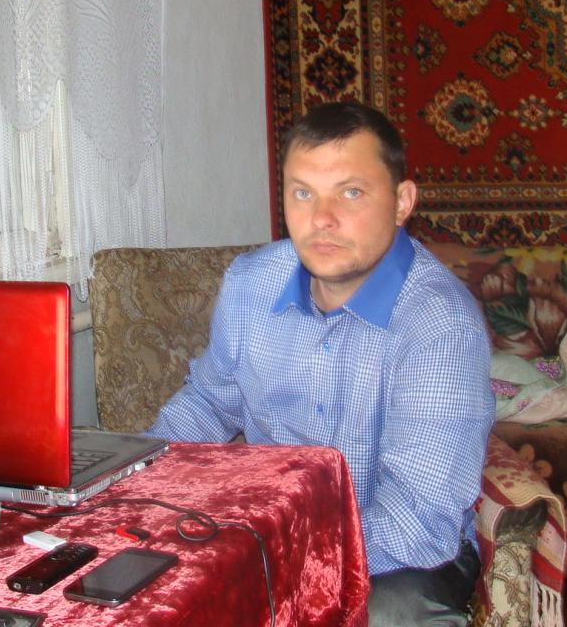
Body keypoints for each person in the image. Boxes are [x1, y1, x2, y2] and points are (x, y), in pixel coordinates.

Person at [146, 101, 494, 625]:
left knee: (391, 613)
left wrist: (262, 564)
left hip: (399, 559)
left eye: (350, 192)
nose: (321, 219)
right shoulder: (251, 283)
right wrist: (132, 481)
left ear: (402, 202)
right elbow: (209, 404)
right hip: (269, 531)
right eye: (303, 193)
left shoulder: (440, 328)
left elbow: (416, 525)